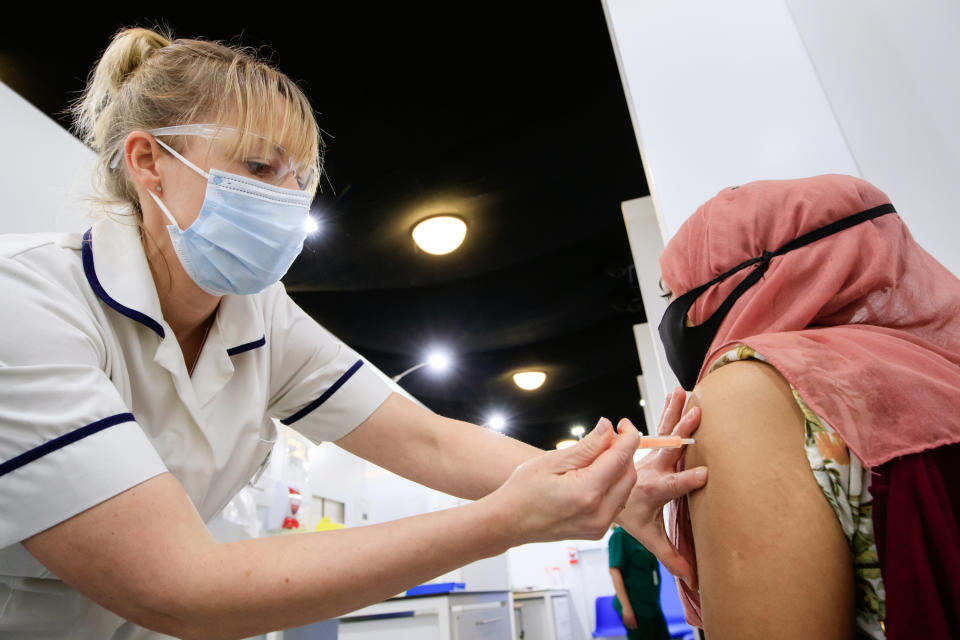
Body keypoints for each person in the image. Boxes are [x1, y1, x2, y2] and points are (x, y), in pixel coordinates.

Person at [0, 28, 708, 639]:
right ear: (148, 160)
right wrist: (506, 521)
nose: (284, 197)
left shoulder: (258, 315)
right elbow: (179, 581)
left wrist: (610, 483)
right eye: (256, 166)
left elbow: (430, 439)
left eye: (298, 177)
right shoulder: (27, 301)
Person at [641, 174, 960, 639]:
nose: (675, 317)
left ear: (746, 281)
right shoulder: (937, 374)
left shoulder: (750, 390)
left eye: (676, 294)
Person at [608, 525, 670, 640]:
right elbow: (614, 571)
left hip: (652, 605)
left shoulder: (641, 533)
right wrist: (626, 608)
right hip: (636, 607)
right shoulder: (620, 535)